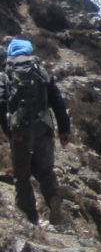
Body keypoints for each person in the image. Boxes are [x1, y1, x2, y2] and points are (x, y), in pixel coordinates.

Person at [0, 38, 71, 225]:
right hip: (43, 130)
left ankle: (30, 218)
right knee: (46, 170)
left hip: (19, 133)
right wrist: (65, 130)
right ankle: (53, 197)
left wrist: (9, 131)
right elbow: (58, 101)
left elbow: (1, 105)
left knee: (22, 176)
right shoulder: (41, 71)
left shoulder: (6, 73)